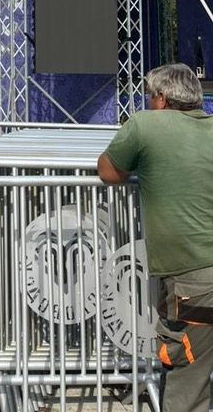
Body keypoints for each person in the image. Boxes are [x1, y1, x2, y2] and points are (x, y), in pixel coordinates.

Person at [97, 63, 213, 412]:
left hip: (194, 277)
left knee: (188, 380)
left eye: (149, 96)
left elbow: (108, 171)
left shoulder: (145, 125)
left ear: (161, 98)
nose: (148, 102)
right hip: (197, 273)